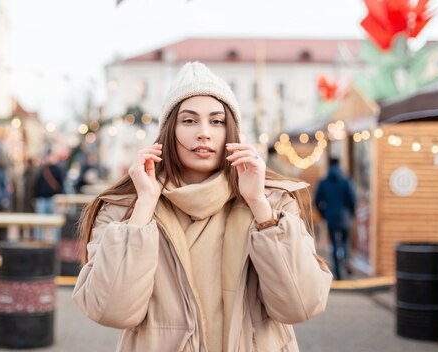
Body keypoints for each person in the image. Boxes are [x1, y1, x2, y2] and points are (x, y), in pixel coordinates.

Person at [73, 61, 332, 351]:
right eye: (189, 120)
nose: (204, 132)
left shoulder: (274, 202)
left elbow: (301, 305)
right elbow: (112, 311)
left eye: (217, 121)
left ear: (231, 131)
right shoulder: (124, 209)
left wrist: (260, 207)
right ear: (169, 131)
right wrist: (144, 205)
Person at [315, 157, 357, 280]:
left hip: (331, 217)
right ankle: (344, 260)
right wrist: (351, 213)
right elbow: (353, 199)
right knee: (345, 242)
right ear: (339, 165)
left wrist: (323, 213)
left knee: (334, 244)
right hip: (345, 217)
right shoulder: (346, 180)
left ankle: (338, 273)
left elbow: (317, 200)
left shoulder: (323, 181)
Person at [33, 151, 64, 241]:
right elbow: (37, 184)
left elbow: (61, 185)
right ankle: (38, 241)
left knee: (55, 222)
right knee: (39, 222)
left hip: (53, 199)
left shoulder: (59, 169)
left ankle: (55, 242)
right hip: (42, 199)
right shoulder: (42, 169)